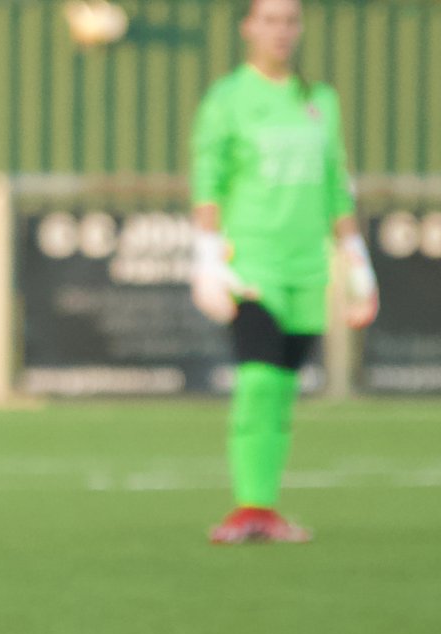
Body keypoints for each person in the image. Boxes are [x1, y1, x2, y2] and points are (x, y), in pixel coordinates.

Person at [189, 0, 378, 544]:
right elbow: (209, 180)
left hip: (306, 265)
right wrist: (205, 255)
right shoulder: (228, 99)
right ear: (249, 27)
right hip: (252, 260)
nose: (281, 30)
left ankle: (265, 507)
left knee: (284, 386)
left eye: (290, 20)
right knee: (258, 379)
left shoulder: (319, 100)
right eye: (269, 19)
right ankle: (247, 506)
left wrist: (358, 262)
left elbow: (336, 185)